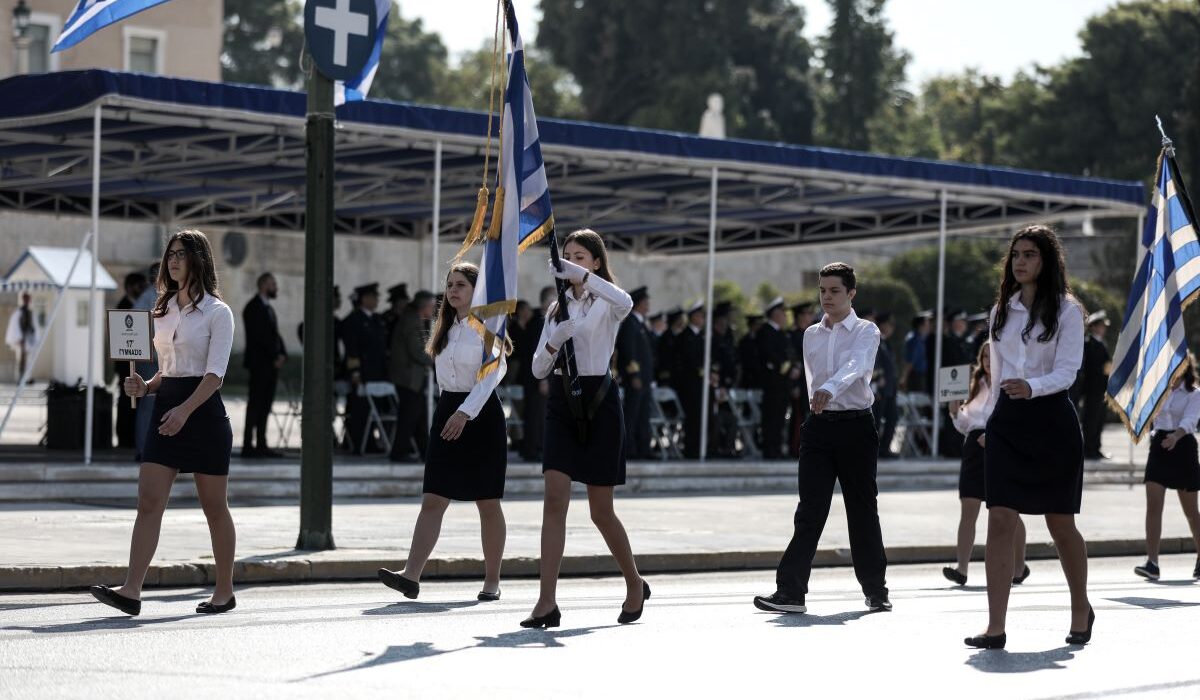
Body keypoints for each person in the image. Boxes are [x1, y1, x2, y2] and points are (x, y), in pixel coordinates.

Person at [90, 230, 238, 616]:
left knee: (214, 507)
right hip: (166, 406)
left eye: (181, 255)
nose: (172, 261)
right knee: (148, 500)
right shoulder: (161, 308)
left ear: (198, 260)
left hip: (202, 413)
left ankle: (225, 591)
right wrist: (146, 385)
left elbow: (214, 375)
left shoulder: (218, 313)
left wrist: (184, 411)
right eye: (170, 254)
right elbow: (167, 371)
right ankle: (132, 589)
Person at [965, 224, 1092, 650]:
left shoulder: (1068, 310)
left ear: (1047, 260)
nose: (1020, 261)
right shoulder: (1001, 309)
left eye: (1030, 254)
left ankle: (1080, 608)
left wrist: (1033, 387)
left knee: (1060, 524)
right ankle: (995, 626)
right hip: (1007, 423)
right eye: (1016, 254)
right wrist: (982, 421)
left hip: (1052, 422)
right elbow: (997, 374)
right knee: (999, 519)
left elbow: (1069, 371)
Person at [522, 229, 648, 628]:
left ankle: (633, 582)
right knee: (554, 498)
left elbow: (625, 301)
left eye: (581, 256)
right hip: (562, 399)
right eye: (566, 256)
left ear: (595, 261)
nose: (572, 262)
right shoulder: (555, 308)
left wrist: (584, 278)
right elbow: (537, 369)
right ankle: (546, 601)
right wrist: (553, 342)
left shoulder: (606, 300)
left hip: (599, 400)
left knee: (600, 511)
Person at [754, 262, 890, 614]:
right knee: (810, 510)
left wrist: (829, 389)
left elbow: (857, 366)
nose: (826, 297)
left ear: (851, 294)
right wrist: (819, 402)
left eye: (834, 291)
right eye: (822, 290)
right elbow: (811, 378)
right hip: (819, 427)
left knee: (861, 509)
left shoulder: (866, 330)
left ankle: (876, 589)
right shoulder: (811, 333)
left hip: (856, 427)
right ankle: (791, 591)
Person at [378, 263, 510, 601]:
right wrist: (449, 414)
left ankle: (492, 580)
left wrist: (465, 413)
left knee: (487, 501)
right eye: (450, 285)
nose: (452, 290)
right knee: (433, 496)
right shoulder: (443, 329)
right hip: (447, 412)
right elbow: (444, 381)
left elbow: (493, 374)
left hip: (480, 415)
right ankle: (411, 575)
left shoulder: (488, 327)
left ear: (475, 291)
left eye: (461, 285)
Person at [942, 340, 1030, 586]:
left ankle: (1019, 566)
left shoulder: (1008, 386)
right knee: (968, 508)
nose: (989, 363)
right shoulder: (976, 385)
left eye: (993, 357)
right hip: (973, 448)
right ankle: (962, 568)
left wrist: (995, 436)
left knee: (1008, 510)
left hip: (999, 447)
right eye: (985, 358)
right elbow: (964, 424)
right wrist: (953, 410)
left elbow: (1017, 419)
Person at [1133, 354, 1200, 582]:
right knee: (1153, 504)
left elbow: (1190, 421)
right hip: (1160, 446)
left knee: (1191, 511)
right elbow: (1148, 415)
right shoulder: (1159, 391)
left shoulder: (1194, 393)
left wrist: (1176, 437)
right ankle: (1152, 562)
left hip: (1183, 447)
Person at [241, 272, 286, 459]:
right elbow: (260, 337)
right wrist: (274, 355)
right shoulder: (253, 308)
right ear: (263, 285)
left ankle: (261, 443)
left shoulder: (268, 309)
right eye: (272, 284)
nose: (275, 287)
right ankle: (248, 446)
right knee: (255, 404)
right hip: (260, 365)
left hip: (271, 365)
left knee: (265, 405)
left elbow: (275, 335)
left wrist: (282, 354)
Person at [388, 290, 436, 462]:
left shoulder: (416, 320)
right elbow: (417, 352)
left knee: (419, 416)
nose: (433, 310)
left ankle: (425, 452)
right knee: (409, 417)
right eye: (431, 306)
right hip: (408, 378)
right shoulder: (411, 321)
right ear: (424, 307)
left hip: (413, 379)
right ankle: (398, 452)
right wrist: (439, 359)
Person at [342, 283, 389, 454]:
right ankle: (357, 443)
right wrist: (354, 372)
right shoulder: (354, 320)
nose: (376, 300)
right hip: (362, 373)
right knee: (359, 409)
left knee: (373, 409)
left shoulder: (376, 319)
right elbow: (351, 349)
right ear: (364, 299)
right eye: (373, 297)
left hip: (376, 372)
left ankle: (370, 442)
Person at [615, 286, 655, 459]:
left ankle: (643, 447)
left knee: (643, 414)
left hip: (646, 379)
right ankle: (630, 448)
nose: (648, 306)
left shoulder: (641, 324)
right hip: (636, 379)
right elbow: (629, 352)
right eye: (645, 302)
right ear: (638, 304)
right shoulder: (630, 324)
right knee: (632, 414)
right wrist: (634, 375)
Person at [132, 264, 161, 462]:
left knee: (152, 405)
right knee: (149, 405)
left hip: (154, 357)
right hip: (151, 358)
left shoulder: (152, 296)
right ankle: (144, 449)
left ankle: (149, 447)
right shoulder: (151, 297)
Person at [114, 273, 147, 448]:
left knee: (135, 401)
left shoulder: (137, 305)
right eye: (138, 285)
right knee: (126, 401)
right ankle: (124, 437)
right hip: (125, 363)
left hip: (137, 361)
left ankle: (132, 435)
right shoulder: (124, 306)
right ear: (129, 287)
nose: (142, 289)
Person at [757, 297, 793, 459]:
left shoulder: (781, 333)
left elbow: (789, 353)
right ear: (775, 315)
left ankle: (777, 448)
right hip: (772, 382)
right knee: (771, 417)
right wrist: (782, 366)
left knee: (779, 417)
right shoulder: (765, 331)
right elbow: (768, 355)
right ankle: (769, 449)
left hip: (783, 383)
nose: (785, 317)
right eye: (782, 314)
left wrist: (793, 366)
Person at [1078, 310, 1112, 460]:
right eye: (1100, 326)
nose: (1103, 329)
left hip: (1102, 389)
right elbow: (1090, 367)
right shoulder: (1088, 343)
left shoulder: (1100, 343)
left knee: (1099, 419)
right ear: (1093, 327)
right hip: (1092, 388)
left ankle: (1096, 448)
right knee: (1091, 420)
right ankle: (1088, 449)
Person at [678, 301, 706, 458]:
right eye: (700, 316)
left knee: (701, 418)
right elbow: (690, 361)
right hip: (690, 385)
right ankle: (691, 449)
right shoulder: (686, 336)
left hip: (701, 384)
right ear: (694, 317)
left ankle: (699, 447)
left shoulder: (700, 336)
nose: (703, 319)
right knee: (693, 418)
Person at [788, 303, 815, 458]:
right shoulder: (793, 336)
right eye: (806, 314)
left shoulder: (812, 334)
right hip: (800, 384)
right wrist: (794, 385)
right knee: (799, 416)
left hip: (812, 384)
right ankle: (795, 447)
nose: (809, 318)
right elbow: (795, 362)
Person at [873, 312, 900, 459]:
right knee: (876, 421)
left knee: (893, 418)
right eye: (886, 325)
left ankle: (885, 448)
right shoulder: (876, 341)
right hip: (880, 389)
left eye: (891, 326)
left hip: (890, 390)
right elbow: (876, 365)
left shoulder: (886, 343)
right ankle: (876, 449)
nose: (889, 329)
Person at [5, 291, 39, 381]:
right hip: (21, 340)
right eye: (26, 298)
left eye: (28, 299)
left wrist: (33, 334)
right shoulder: (18, 312)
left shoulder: (30, 312)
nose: (27, 300)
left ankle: (27, 378)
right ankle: (21, 378)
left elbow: (33, 326)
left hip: (28, 339)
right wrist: (18, 338)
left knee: (28, 360)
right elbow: (14, 326)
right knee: (21, 360)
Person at [903, 312, 931, 392]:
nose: (929, 326)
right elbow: (910, 361)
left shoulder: (923, 338)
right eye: (927, 324)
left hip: (923, 376)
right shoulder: (913, 339)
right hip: (916, 377)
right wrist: (904, 378)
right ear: (921, 325)